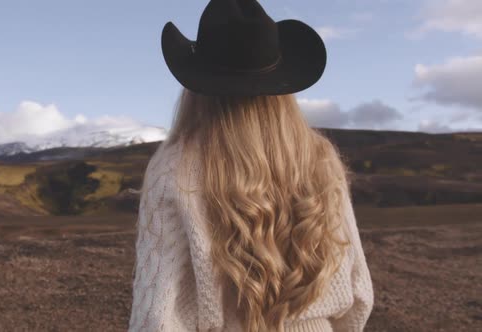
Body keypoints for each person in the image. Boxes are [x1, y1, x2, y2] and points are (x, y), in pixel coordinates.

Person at [128, 0, 374, 331]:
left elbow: (156, 317)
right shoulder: (321, 159)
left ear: (196, 86)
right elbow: (359, 293)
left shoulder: (174, 170)